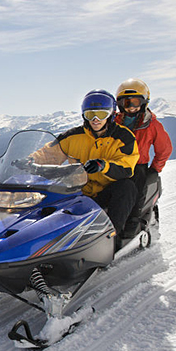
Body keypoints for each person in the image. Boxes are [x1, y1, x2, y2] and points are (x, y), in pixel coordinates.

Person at [30, 90, 139, 241]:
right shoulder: (73, 136)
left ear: (111, 114)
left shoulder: (124, 137)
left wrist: (103, 165)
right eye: (90, 115)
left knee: (127, 186)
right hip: (79, 191)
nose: (95, 119)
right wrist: (30, 160)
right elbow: (50, 153)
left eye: (101, 114)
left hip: (107, 192)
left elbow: (126, 166)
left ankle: (112, 236)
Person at [114, 78, 172, 237]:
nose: (131, 107)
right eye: (127, 103)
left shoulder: (151, 124)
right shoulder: (114, 120)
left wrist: (155, 169)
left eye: (135, 102)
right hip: (114, 164)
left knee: (137, 186)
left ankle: (134, 218)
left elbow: (164, 148)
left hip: (137, 165)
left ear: (144, 102)